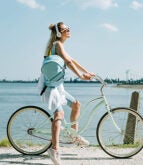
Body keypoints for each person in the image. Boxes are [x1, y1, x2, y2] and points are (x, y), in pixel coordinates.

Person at [38, 22, 95, 165]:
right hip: (50, 88)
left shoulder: (57, 45)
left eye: (68, 28)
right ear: (59, 33)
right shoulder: (57, 45)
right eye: (65, 29)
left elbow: (72, 60)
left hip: (57, 87)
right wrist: (81, 77)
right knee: (59, 115)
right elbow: (69, 62)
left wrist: (86, 72)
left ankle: (73, 136)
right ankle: (54, 149)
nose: (69, 31)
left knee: (76, 105)